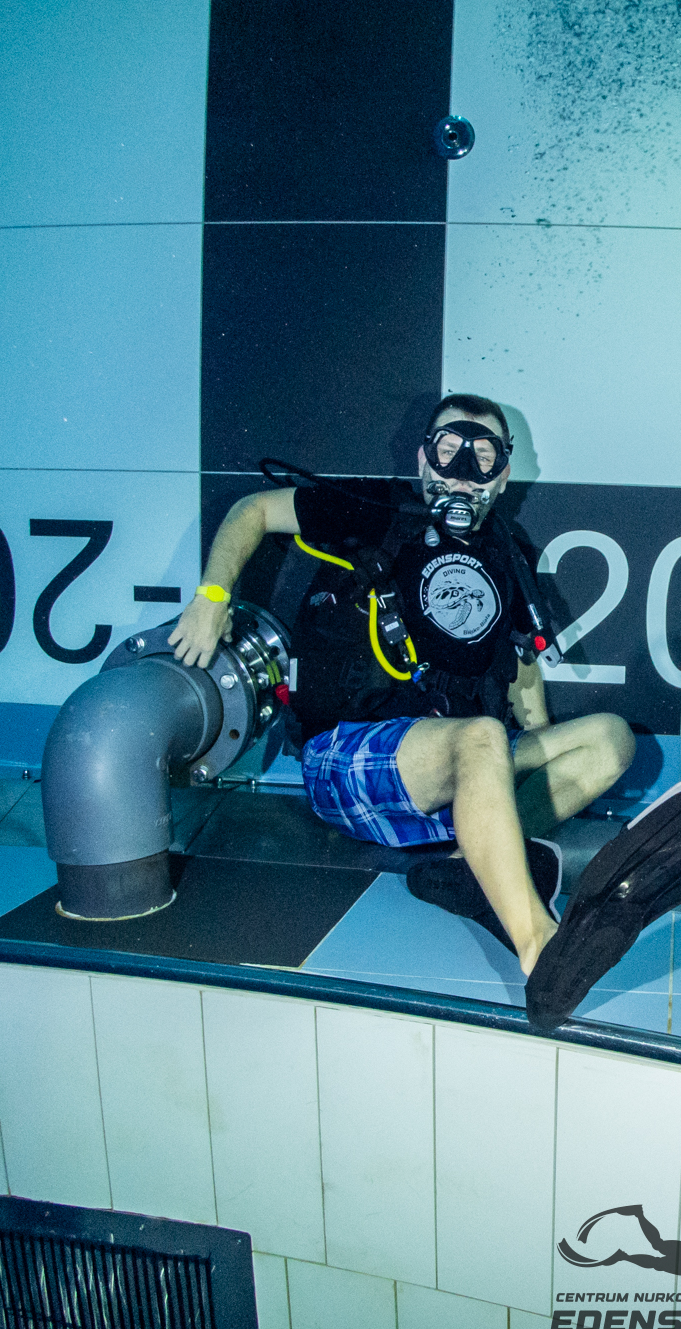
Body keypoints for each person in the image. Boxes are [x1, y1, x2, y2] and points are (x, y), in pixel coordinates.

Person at [167, 393, 635, 975]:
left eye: (482, 457)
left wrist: (538, 746)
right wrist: (212, 597)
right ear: (422, 459)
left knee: (611, 738)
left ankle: (463, 867)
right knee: (483, 738)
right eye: (448, 450)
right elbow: (254, 510)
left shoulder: (507, 551)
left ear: (502, 474)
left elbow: (520, 666)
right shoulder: (376, 508)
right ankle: (540, 944)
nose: (462, 472)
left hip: (462, 763)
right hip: (350, 755)